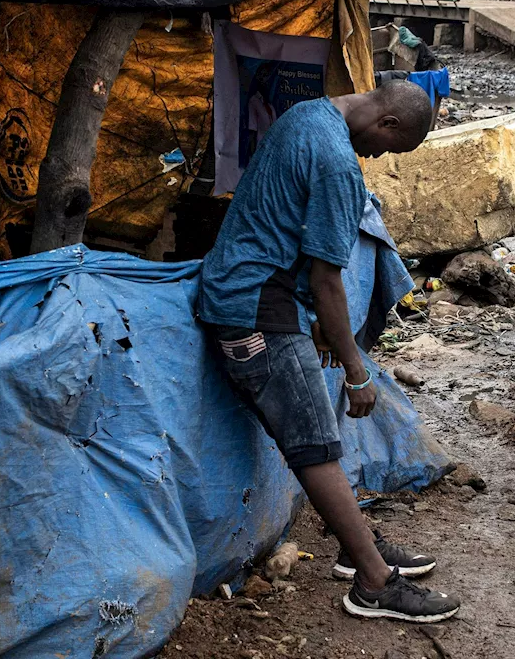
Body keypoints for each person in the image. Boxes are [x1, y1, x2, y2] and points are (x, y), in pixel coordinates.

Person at [197, 81, 460, 623]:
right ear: (387, 123)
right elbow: (328, 280)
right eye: (389, 148)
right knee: (315, 441)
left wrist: (315, 323)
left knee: (315, 430)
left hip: (247, 288)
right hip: (256, 308)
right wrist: (358, 369)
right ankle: (372, 582)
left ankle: (354, 544)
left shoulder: (307, 115)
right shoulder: (339, 164)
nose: (378, 156)